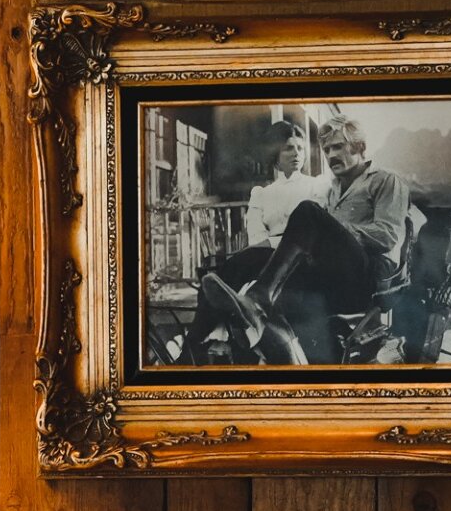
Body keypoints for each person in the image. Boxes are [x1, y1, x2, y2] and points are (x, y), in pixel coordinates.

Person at [202, 114, 411, 365]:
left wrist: (331, 230)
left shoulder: (386, 180)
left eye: (338, 146)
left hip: (368, 278)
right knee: (251, 259)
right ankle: (205, 340)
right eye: (326, 149)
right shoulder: (334, 189)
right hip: (333, 278)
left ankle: (258, 302)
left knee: (308, 212)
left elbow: (387, 236)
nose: (331, 154)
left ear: (359, 147)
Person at [174, 121, 323, 364]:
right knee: (240, 266)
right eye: (288, 148)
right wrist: (277, 242)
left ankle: (192, 345)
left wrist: (282, 243)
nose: (297, 153)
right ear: (274, 153)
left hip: (301, 261)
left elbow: (314, 231)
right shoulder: (262, 194)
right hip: (263, 261)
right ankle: (203, 342)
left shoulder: (317, 186)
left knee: (231, 269)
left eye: (300, 147)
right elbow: (256, 239)